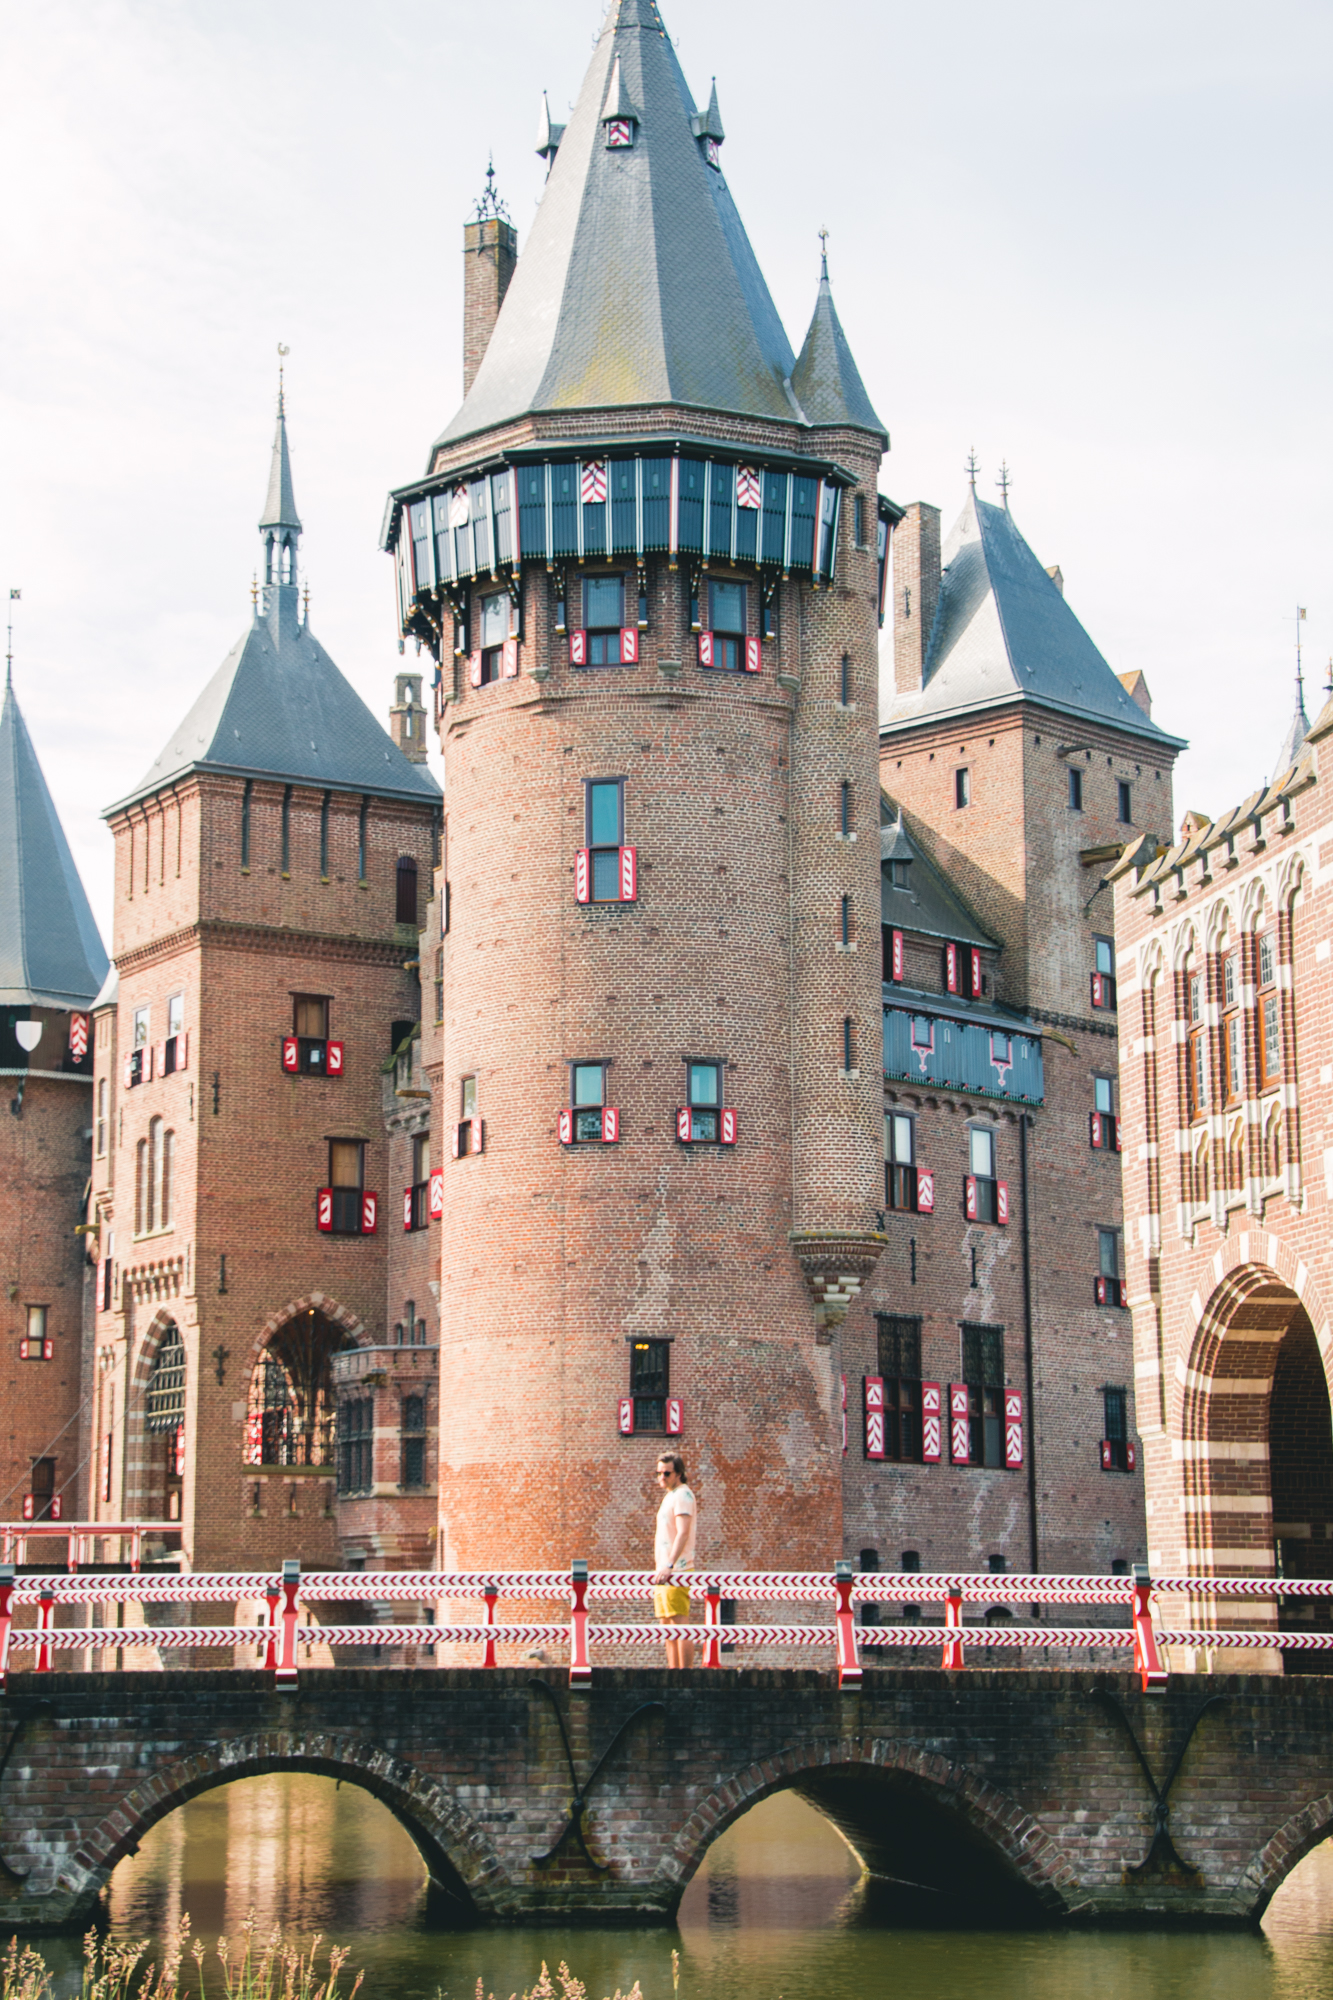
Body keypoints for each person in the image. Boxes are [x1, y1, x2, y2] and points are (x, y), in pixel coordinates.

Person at [653, 1452, 697, 1669]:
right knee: (666, 1624)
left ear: (679, 1473)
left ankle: (684, 1675)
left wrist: (670, 1564)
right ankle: (673, 1672)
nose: (662, 1477)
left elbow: (683, 1533)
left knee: (679, 1623)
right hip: (664, 1571)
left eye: (667, 1473)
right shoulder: (670, 1495)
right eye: (659, 1473)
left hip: (676, 1570)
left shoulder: (682, 1495)